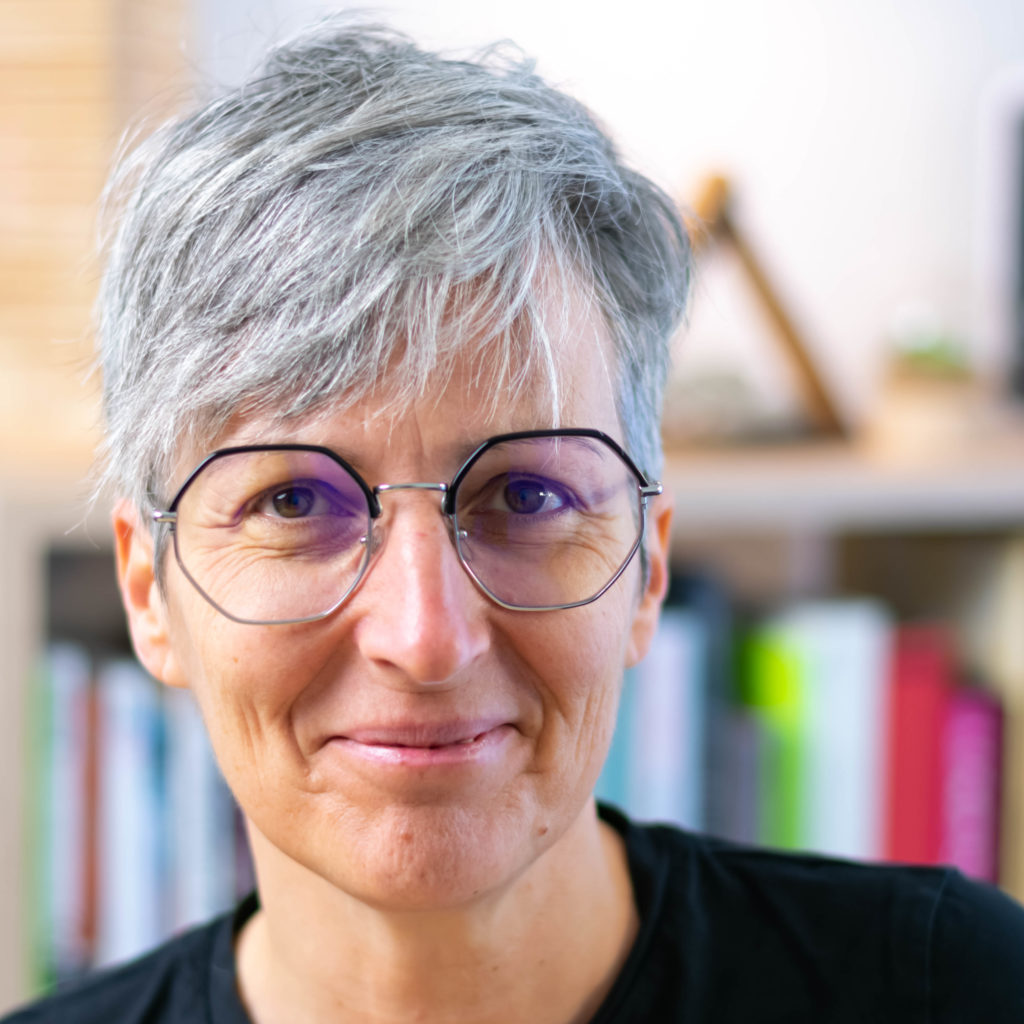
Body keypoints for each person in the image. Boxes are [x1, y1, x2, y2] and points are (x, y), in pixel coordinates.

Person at [7, 17, 1024, 1024]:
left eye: (527, 497)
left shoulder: (957, 991)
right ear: (149, 590)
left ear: (646, 566)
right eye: (292, 501)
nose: (425, 639)